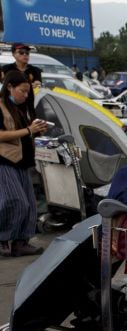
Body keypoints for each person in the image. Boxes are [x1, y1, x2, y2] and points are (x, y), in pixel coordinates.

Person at [0, 71, 47, 257]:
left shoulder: (23, 107)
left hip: (23, 162)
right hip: (5, 160)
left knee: (29, 204)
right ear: (10, 87)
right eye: (22, 91)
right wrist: (28, 130)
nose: (26, 95)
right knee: (14, 200)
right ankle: (3, 239)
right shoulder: (1, 106)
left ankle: (21, 242)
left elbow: (27, 132)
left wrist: (38, 130)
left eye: (28, 92)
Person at [1, 43, 42, 115]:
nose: (25, 55)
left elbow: (37, 85)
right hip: (9, 105)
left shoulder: (35, 70)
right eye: (21, 52)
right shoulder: (6, 69)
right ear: (13, 54)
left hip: (29, 105)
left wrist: (36, 85)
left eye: (27, 53)